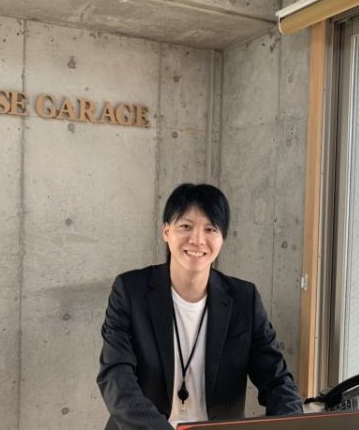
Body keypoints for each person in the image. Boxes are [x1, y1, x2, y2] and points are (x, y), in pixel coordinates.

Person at [97, 183, 302, 429]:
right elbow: (116, 379)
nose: (197, 240)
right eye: (186, 226)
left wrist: (294, 424)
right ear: (166, 231)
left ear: (222, 238)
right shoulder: (131, 291)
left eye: (210, 229)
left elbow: (277, 381)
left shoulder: (244, 299)